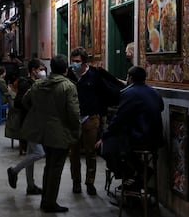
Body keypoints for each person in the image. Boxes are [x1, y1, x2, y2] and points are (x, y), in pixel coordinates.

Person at [20, 55, 80, 213]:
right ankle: (49, 202)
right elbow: (73, 113)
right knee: (56, 168)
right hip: (60, 132)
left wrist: (38, 113)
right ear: (66, 69)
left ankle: (46, 199)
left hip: (42, 131)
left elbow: (25, 101)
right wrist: (75, 130)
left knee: (49, 166)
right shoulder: (68, 86)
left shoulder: (39, 84)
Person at [98, 66, 164, 189]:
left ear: (130, 78)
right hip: (157, 138)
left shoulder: (129, 93)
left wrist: (104, 135)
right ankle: (137, 173)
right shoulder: (154, 92)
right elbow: (161, 108)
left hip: (141, 137)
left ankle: (131, 176)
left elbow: (119, 119)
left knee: (107, 147)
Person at [69, 46, 106, 195]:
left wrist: (102, 118)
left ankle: (90, 182)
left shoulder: (94, 75)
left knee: (91, 152)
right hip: (73, 118)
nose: (74, 64)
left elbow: (101, 95)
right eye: (73, 61)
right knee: (74, 153)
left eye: (77, 61)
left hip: (90, 117)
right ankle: (76, 182)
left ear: (84, 62)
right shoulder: (70, 75)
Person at [6, 58, 46, 195]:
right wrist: (31, 107)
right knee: (39, 153)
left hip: (36, 122)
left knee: (31, 153)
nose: (43, 72)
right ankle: (14, 171)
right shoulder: (26, 84)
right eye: (41, 69)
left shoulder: (39, 83)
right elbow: (18, 102)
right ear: (33, 70)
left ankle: (30, 185)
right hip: (29, 123)